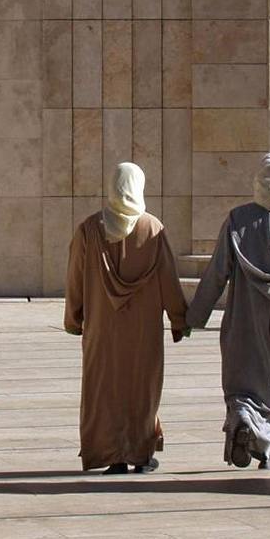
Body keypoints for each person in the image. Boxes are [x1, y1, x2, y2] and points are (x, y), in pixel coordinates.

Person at [64, 162, 188, 475]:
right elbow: (169, 280)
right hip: (143, 331)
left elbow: (75, 278)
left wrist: (73, 318)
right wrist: (178, 319)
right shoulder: (153, 229)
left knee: (104, 389)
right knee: (141, 389)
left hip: (102, 329)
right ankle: (141, 453)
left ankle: (112, 454)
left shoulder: (90, 230)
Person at [185, 151, 270, 470]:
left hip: (242, 324)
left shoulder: (237, 220)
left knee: (242, 386)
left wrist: (193, 318)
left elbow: (216, 273)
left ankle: (242, 419)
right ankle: (269, 451)